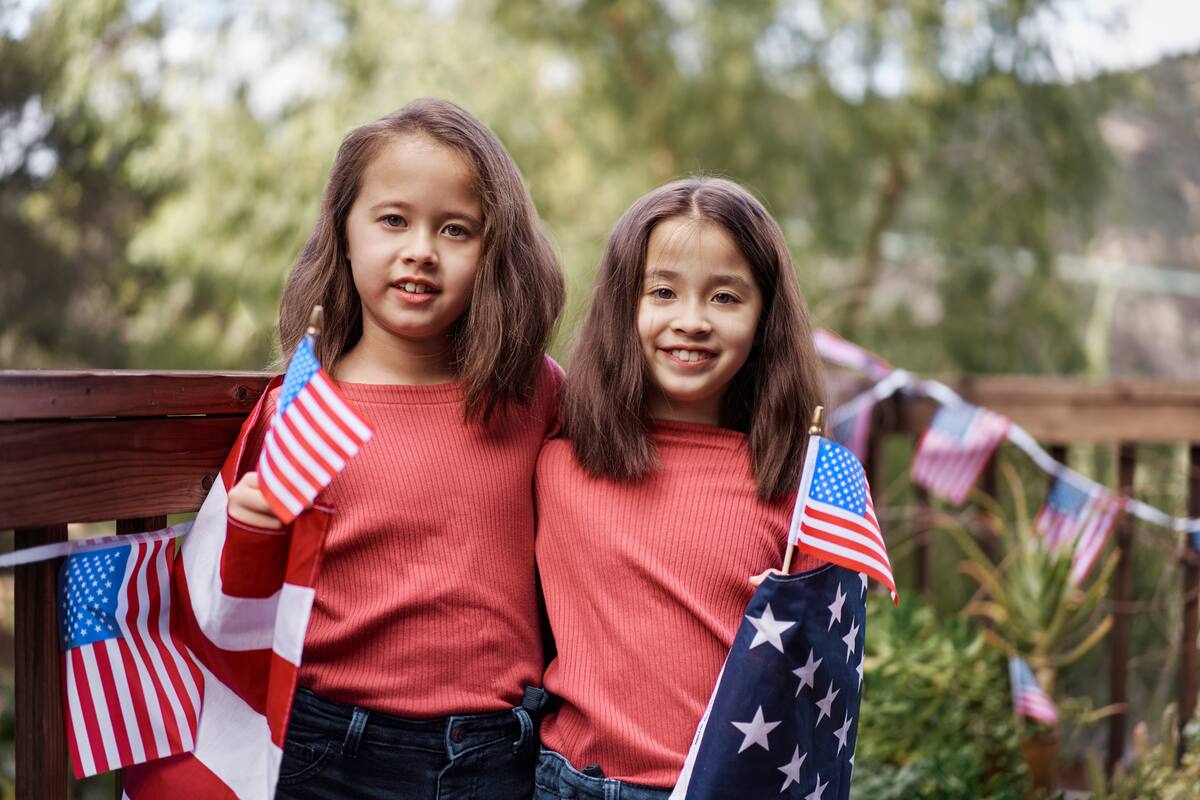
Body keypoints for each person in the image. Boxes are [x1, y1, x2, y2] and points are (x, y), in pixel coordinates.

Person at [224, 98, 564, 799]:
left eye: (455, 229)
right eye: (392, 220)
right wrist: (247, 533)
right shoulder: (301, 406)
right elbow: (243, 606)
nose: (420, 250)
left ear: (493, 251)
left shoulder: (532, 394)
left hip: (490, 753)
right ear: (343, 235)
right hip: (323, 746)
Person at [534, 177, 826, 799]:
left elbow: (822, 687)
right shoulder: (555, 459)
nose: (690, 321)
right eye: (662, 292)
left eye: (724, 297)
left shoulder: (800, 489)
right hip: (569, 782)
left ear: (765, 315)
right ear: (622, 305)